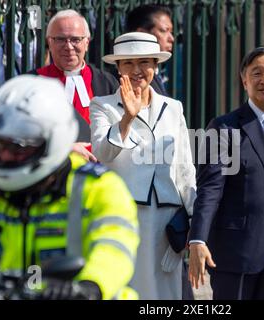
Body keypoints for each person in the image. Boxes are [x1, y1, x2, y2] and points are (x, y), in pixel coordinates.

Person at [0, 75, 139, 300]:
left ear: (52, 142)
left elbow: (114, 246)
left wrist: (89, 286)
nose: (4, 154)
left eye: (18, 147)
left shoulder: (98, 188)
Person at [188, 47, 264, 300]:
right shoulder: (224, 127)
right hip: (236, 255)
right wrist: (198, 240)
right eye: (256, 73)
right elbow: (210, 189)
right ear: (245, 81)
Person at [90, 32, 196, 300]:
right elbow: (103, 152)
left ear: (156, 66)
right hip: (125, 216)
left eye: (144, 62)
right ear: (118, 68)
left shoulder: (173, 108)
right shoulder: (102, 105)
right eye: (128, 63)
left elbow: (184, 168)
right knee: (125, 288)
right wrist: (127, 117)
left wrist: (194, 225)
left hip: (166, 223)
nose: (137, 70)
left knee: (165, 295)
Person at [30, 9, 119, 162]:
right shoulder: (32, 82)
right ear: (49, 42)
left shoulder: (107, 82)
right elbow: (22, 133)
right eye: (60, 39)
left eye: (76, 39)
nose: (69, 47)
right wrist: (63, 147)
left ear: (87, 42)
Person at [125, 4, 174, 96]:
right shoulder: (126, 79)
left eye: (171, 32)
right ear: (141, 33)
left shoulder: (158, 73)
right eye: (164, 30)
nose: (171, 38)